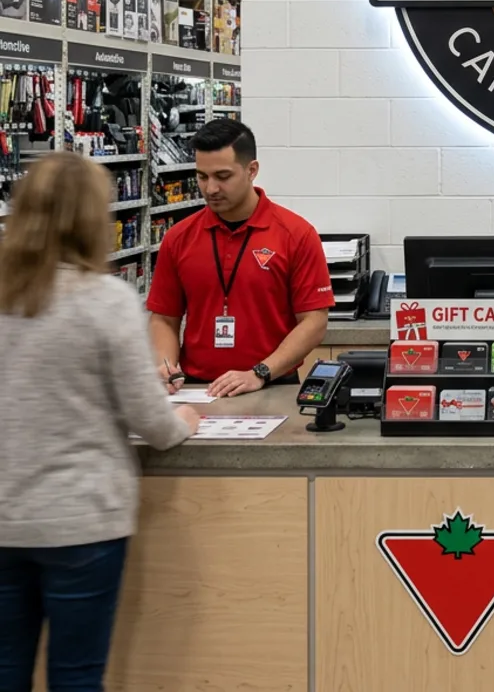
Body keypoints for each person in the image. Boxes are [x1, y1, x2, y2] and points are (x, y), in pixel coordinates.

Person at [0, 152, 199, 691]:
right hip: (81, 521)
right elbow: (150, 421)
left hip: (5, 518)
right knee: (77, 675)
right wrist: (181, 418)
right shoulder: (104, 299)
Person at [147, 119, 334, 397]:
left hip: (271, 385)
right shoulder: (178, 237)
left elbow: (314, 321)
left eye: (223, 177)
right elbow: (164, 318)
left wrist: (260, 372)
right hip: (196, 388)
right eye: (202, 176)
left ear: (252, 170)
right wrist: (166, 365)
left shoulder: (296, 234)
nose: (210, 189)